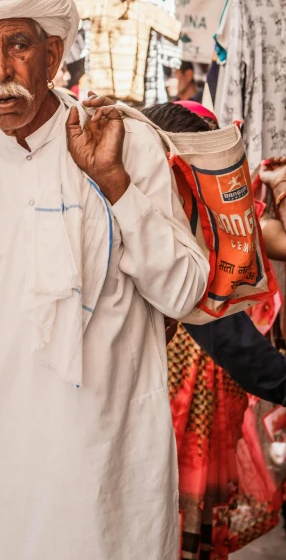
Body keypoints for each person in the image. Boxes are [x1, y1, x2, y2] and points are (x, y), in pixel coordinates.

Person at [0, 0, 210, 560]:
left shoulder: (121, 143)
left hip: (99, 456)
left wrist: (113, 182)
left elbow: (183, 291)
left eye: (18, 45)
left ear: (53, 56)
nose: (0, 71)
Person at [143, 101, 286, 557]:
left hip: (203, 397)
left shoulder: (219, 222)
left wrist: (278, 188)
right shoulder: (160, 226)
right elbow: (227, 336)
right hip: (171, 398)